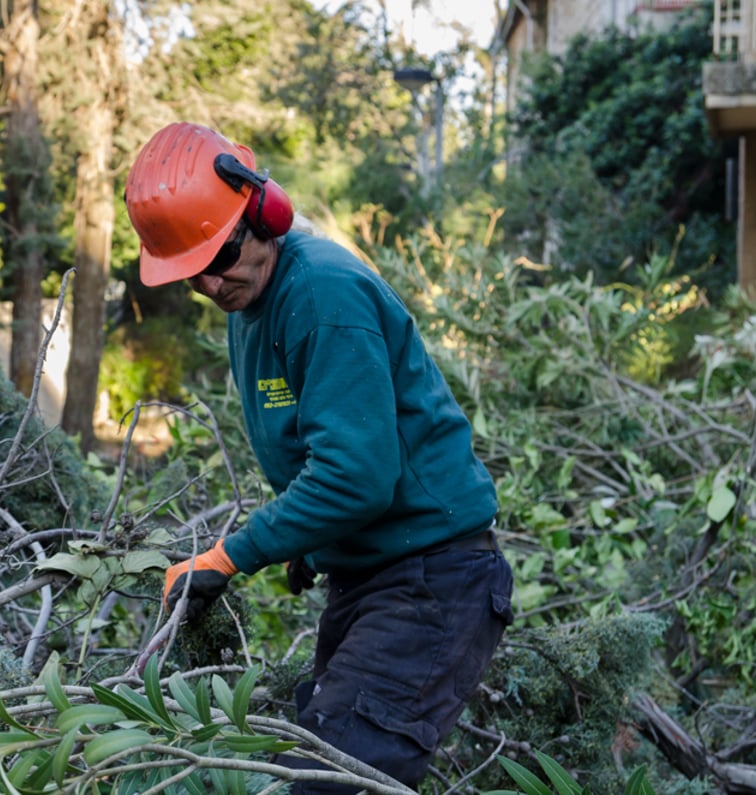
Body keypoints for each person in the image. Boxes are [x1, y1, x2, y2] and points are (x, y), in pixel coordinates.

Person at [124, 121, 514, 794]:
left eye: (218, 260)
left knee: (330, 782)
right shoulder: (252, 304)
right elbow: (319, 443)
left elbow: (356, 475)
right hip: (371, 579)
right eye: (193, 277)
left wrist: (231, 554)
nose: (213, 287)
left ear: (263, 212)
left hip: (432, 579)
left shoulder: (322, 293)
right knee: (315, 758)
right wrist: (307, 544)